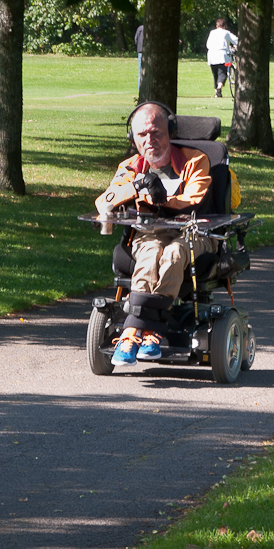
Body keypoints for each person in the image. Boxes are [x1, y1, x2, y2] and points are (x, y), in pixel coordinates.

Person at [96, 102, 211, 364]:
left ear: (170, 131)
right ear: (133, 139)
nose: (150, 140)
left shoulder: (195, 161)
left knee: (173, 254)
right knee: (150, 254)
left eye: (156, 132)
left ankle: (133, 330)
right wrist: (138, 185)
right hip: (150, 234)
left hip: (192, 234)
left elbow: (194, 199)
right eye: (142, 135)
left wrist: (162, 200)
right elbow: (105, 200)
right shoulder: (131, 166)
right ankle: (148, 333)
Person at [205, 16, 236, 97]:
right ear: (224, 26)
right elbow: (236, 40)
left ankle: (217, 93)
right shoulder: (226, 32)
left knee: (215, 74)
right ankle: (219, 88)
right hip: (223, 56)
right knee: (223, 73)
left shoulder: (212, 32)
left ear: (217, 25)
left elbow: (208, 44)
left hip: (211, 56)